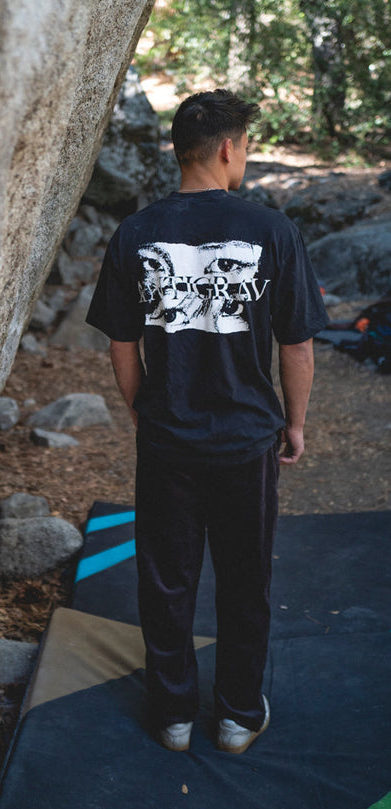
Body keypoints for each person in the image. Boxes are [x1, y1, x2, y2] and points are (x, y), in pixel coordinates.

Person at [86, 89, 329, 754]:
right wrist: (295, 423)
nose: (243, 156)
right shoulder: (273, 231)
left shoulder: (134, 233)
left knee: (166, 579)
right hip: (247, 441)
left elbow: (122, 345)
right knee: (246, 579)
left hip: (168, 439)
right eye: (245, 145)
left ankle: (172, 715)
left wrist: (143, 411)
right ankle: (238, 717)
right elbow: (298, 345)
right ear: (227, 148)